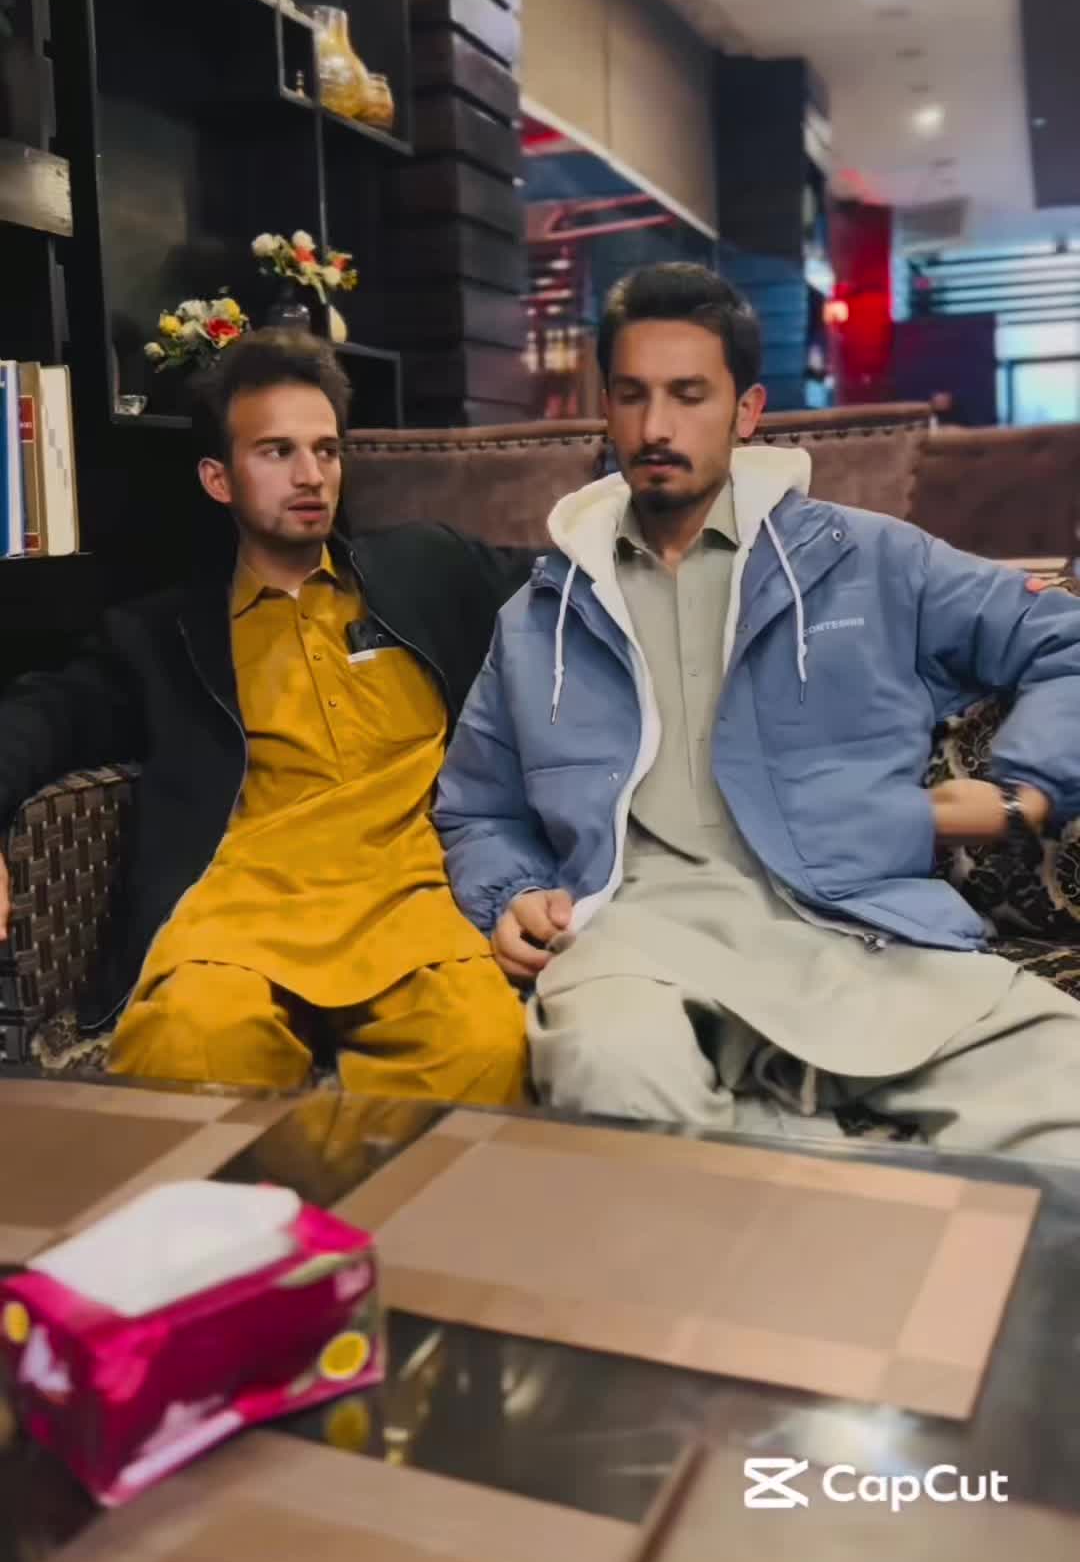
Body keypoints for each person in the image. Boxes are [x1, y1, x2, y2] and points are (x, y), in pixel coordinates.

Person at [434, 262, 1080, 1159]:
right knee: (612, 1079)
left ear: (746, 411)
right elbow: (477, 807)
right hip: (633, 943)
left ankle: (794, 1153)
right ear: (605, 409)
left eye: (689, 395)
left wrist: (1024, 792)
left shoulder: (869, 560)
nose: (656, 427)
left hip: (863, 929)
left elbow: (1065, 640)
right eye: (633, 396)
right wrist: (511, 895)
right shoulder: (540, 617)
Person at [0, 332, 530, 1100]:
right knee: (187, 1047)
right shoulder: (161, 635)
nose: (311, 475)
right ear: (219, 478)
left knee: (486, 1050)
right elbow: (46, 713)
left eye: (326, 450)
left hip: (412, 907)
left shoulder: (427, 570)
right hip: (239, 915)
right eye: (277, 452)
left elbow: (572, 583)